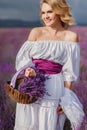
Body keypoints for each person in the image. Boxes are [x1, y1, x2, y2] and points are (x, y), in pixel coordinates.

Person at [14, 0, 84, 130]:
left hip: (54, 88)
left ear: (59, 12)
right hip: (32, 87)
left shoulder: (71, 37)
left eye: (49, 12)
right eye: (43, 12)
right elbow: (22, 61)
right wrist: (29, 72)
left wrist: (65, 101)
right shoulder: (36, 32)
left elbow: (69, 74)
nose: (45, 16)